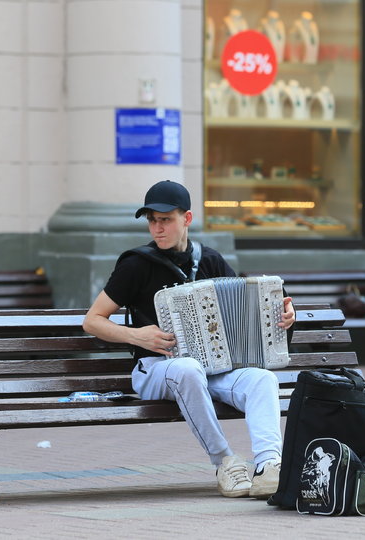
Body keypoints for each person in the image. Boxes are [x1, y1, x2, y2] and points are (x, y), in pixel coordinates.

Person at [83, 180, 296, 499]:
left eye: (165, 219)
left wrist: (282, 317)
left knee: (262, 379)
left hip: (211, 370)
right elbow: (92, 321)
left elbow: (249, 312)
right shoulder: (136, 265)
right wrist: (136, 335)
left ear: (187, 219)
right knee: (186, 368)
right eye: (152, 220)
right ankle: (225, 462)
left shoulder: (208, 260)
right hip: (155, 369)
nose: (157, 228)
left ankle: (269, 467)